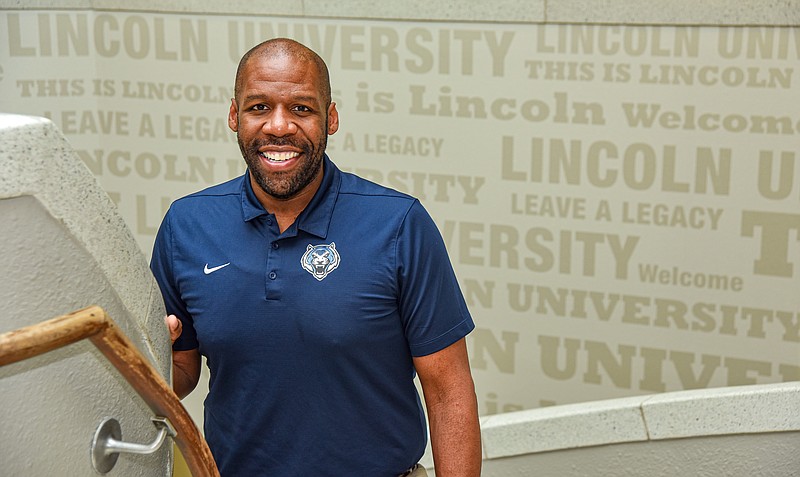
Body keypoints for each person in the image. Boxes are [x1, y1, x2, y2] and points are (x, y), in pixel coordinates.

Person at [151, 38, 481, 477]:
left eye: (302, 109)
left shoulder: (399, 224)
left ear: (331, 118)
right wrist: (145, 356)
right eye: (259, 108)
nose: (279, 127)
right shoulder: (186, 225)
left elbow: (448, 391)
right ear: (234, 116)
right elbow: (181, 373)